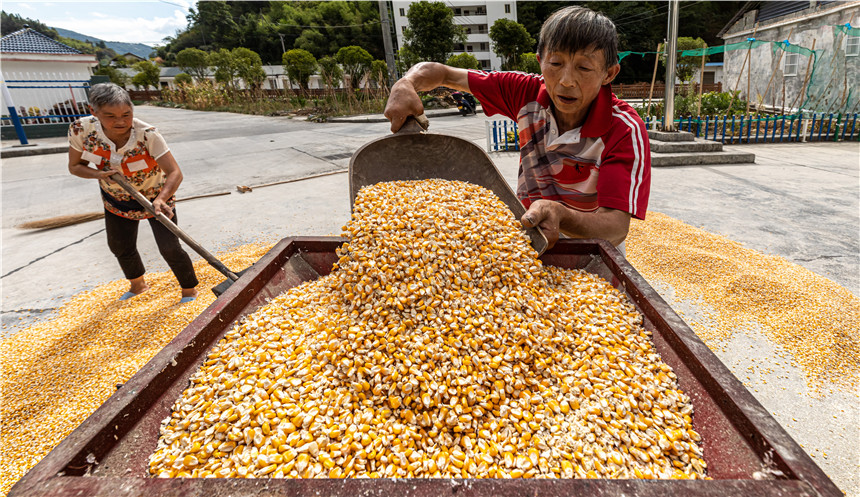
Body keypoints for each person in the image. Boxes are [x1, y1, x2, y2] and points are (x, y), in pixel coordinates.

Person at [384, 6, 650, 251]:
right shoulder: (525, 92)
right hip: (527, 239)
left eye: (584, 68)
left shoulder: (624, 129)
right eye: (555, 64)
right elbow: (441, 73)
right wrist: (406, 83)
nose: (567, 81)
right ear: (540, 61)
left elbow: (615, 227)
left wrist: (560, 214)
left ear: (609, 73)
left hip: (591, 251)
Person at [68, 83, 199, 302]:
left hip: (156, 198)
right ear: (94, 112)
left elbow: (175, 172)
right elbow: (75, 166)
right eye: (110, 116)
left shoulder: (147, 135)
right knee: (120, 245)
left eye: (126, 114)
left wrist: (161, 199)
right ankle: (138, 285)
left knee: (170, 247)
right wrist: (98, 175)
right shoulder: (81, 131)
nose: (120, 122)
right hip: (116, 199)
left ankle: (189, 290)